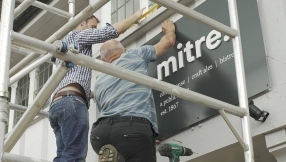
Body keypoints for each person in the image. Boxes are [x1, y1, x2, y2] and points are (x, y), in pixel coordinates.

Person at [48, 8, 145, 162]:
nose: (94, 31)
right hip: (72, 103)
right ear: (81, 23)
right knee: (75, 156)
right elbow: (110, 32)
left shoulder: (64, 46)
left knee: (62, 156)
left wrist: (92, 93)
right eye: (92, 27)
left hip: (57, 105)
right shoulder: (77, 36)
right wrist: (135, 16)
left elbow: (73, 77)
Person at [90, 20, 176, 162]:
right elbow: (168, 42)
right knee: (132, 143)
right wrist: (170, 29)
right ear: (124, 50)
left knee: (124, 144)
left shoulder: (100, 79)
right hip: (132, 125)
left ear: (104, 60)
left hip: (100, 134)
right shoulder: (134, 54)